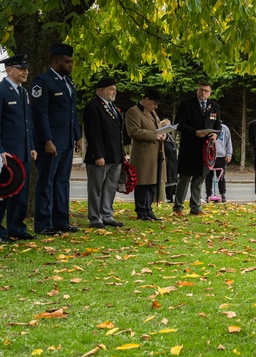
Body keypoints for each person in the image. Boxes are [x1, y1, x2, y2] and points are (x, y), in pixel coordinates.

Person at [0, 54, 37, 243]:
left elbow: (27, 122)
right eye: (21, 68)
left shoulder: (23, 92)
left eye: (26, 68)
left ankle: (16, 228)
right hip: (6, 153)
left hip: (22, 151)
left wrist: (31, 145)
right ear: (9, 70)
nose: (25, 72)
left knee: (20, 193)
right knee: (1, 193)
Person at [31, 43, 82, 235]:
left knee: (62, 181)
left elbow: (72, 112)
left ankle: (61, 221)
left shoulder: (69, 83)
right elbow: (39, 113)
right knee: (47, 182)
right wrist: (46, 140)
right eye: (66, 62)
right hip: (51, 142)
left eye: (71, 62)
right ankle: (44, 223)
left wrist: (77, 135)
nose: (70, 65)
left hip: (66, 140)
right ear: (55, 61)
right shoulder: (42, 82)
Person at [82, 77, 126, 228]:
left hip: (115, 155)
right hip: (101, 156)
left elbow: (117, 133)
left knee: (110, 187)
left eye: (114, 89)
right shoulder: (94, 106)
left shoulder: (112, 107)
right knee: (96, 188)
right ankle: (95, 217)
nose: (114, 91)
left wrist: (122, 154)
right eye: (110, 89)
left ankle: (107, 215)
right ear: (100, 90)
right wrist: (98, 155)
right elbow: (93, 133)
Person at [173, 82, 221, 215]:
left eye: (206, 91)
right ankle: (178, 207)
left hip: (205, 149)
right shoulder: (186, 104)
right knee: (185, 177)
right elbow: (179, 124)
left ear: (210, 93)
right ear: (197, 90)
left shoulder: (214, 106)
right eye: (201, 90)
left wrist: (215, 135)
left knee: (199, 178)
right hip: (189, 146)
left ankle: (195, 207)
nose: (203, 93)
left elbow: (218, 126)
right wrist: (195, 132)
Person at [126, 88, 166, 221]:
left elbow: (157, 127)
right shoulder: (134, 112)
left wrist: (163, 133)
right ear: (146, 99)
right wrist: (154, 135)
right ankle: (141, 210)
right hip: (143, 153)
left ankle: (148, 209)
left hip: (155, 152)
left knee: (152, 183)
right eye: (154, 103)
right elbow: (134, 131)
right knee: (143, 183)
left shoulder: (152, 112)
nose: (156, 106)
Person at [206, 123, 232, 202]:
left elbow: (228, 142)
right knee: (208, 176)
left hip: (221, 156)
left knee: (221, 176)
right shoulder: (208, 127)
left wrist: (229, 154)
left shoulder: (224, 128)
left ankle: (222, 194)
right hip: (209, 155)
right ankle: (208, 194)